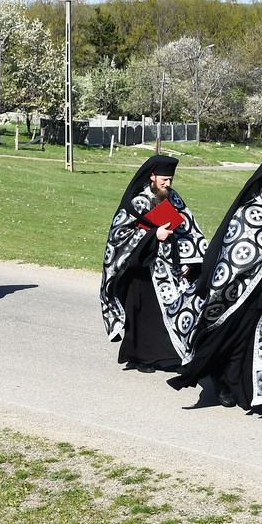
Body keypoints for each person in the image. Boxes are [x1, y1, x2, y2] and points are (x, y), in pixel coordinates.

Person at [169, 159, 262, 417]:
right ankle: (223, 381)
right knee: (236, 343)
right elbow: (238, 255)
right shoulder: (247, 213)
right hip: (246, 293)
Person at [99, 155, 208, 371]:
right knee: (143, 314)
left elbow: (189, 229)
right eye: (164, 179)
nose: (167, 184)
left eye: (170, 180)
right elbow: (118, 235)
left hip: (170, 267)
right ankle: (141, 358)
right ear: (152, 176)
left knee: (172, 309)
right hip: (142, 266)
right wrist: (152, 235)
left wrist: (193, 261)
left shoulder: (174, 198)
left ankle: (173, 356)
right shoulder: (138, 201)